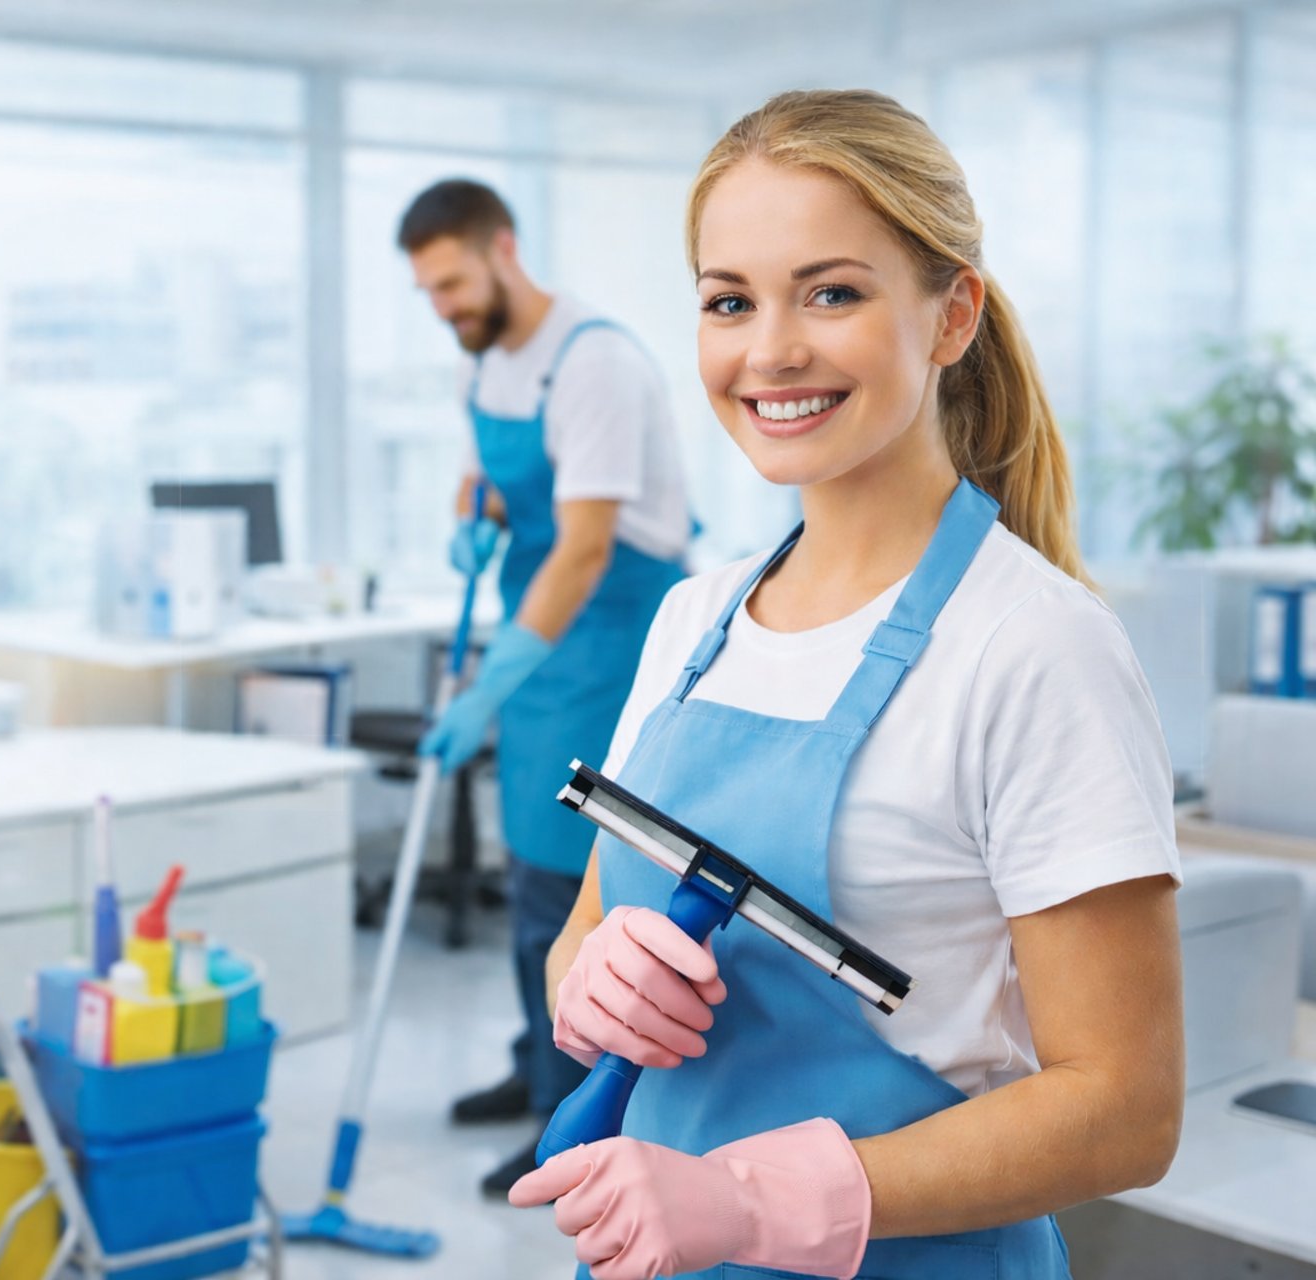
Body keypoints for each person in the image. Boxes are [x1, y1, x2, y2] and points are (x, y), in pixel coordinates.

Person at [509, 89, 1184, 1280]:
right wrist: (591, 983)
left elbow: (1126, 1107)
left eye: (833, 291)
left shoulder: (1033, 647)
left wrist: (749, 1199)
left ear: (950, 314)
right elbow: (578, 936)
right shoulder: (692, 619)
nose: (769, 350)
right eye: (730, 300)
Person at [396, 179, 693, 1195]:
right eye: (426, 291)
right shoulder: (488, 359)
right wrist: (473, 514)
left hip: (606, 638)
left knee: (579, 888)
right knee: (529, 871)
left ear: (502, 248)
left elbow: (585, 546)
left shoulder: (593, 361)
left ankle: (573, 1115)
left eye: (451, 281)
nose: (442, 305)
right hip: (538, 640)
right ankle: (536, 1066)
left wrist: (486, 683)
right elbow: (494, 481)